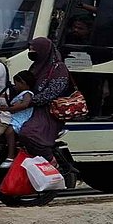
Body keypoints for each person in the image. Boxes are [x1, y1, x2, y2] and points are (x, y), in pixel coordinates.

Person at [13, 38, 78, 187]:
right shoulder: (35, 67)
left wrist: (30, 101)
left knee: (28, 133)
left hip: (48, 112)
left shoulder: (58, 68)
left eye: (34, 50)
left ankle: (51, 161)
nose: (31, 53)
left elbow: (53, 92)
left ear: (44, 50)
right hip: (31, 108)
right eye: (30, 50)